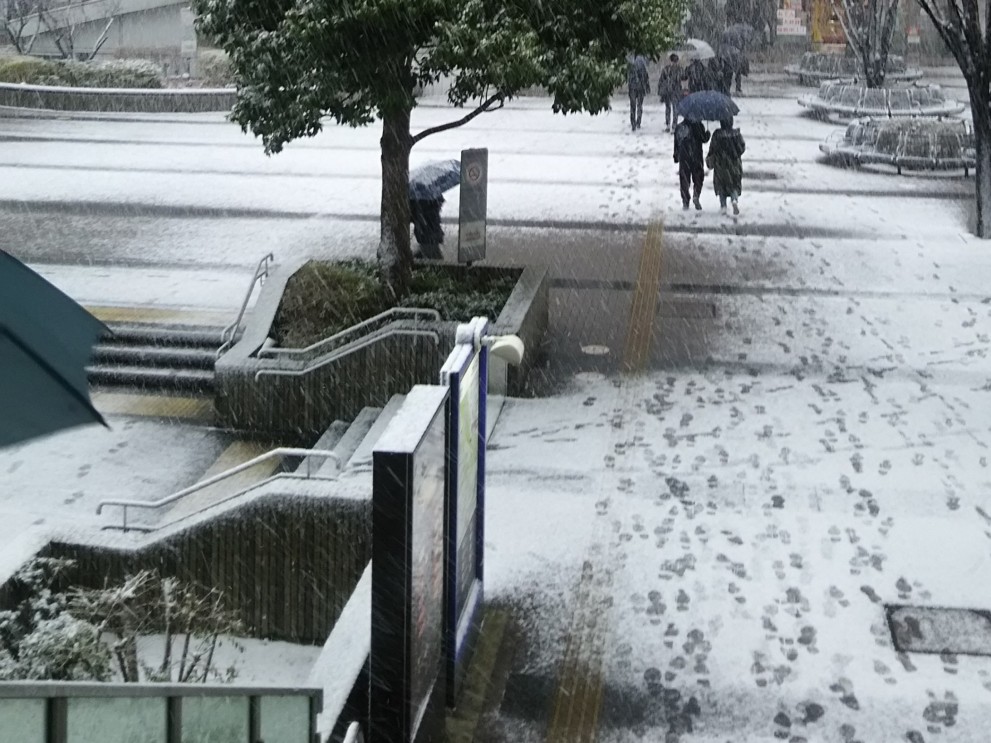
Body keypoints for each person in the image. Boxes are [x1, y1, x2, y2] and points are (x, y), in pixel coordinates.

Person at [705, 117, 746, 215]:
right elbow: (742, 148)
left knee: (721, 186)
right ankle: (734, 200)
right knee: (734, 185)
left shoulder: (717, 135)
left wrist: (710, 158)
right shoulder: (736, 134)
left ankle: (723, 206)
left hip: (721, 165)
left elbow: (712, 149)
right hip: (734, 165)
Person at [673, 119, 710, 211]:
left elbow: (676, 143)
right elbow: (704, 139)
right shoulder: (698, 126)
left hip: (684, 156)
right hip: (696, 155)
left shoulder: (679, 127)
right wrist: (707, 134)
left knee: (684, 179)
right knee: (698, 177)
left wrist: (676, 155)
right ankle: (696, 194)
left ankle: (685, 200)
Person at [657, 53, 683, 132]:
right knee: (674, 109)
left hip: (668, 91)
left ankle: (669, 125)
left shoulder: (666, 69)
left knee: (668, 108)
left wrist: (661, 91)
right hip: (675, 91)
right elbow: (684, 78)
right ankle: (673, 126)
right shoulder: (680, 69)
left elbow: (661, 81)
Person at [627, 54, 650, 131]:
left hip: (633, 88)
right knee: (639, 105)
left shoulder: (631, 67)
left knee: (633, 106)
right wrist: (646, 87)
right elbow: (646, 78)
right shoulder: (643, 67)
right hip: (640, 88)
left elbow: (629, 79)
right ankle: (638, 122)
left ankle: (633, 123)